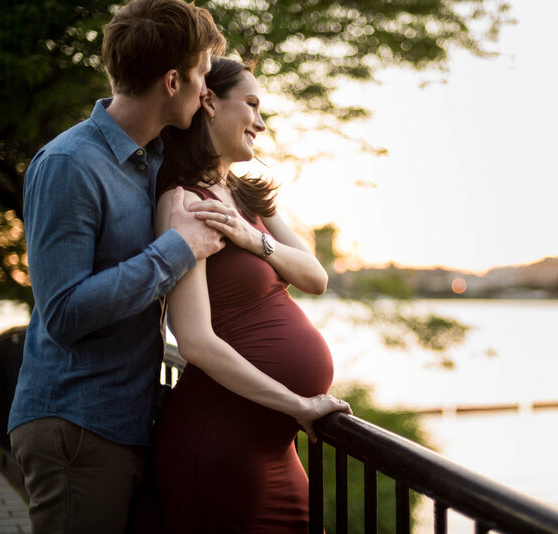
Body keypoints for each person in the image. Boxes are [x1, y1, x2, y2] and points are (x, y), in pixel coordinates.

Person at [7, 1, 228, 532]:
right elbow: (63, 312)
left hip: (126, 422)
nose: (207, 91)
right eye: (201, 74)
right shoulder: (70, 164)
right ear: (172, 80)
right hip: (77, 427)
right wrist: (179, 248)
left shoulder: (152, 159)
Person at [151, 57, 351, 533]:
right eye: (252, 104)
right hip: (223, 442)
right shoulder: (183, 202)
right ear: (209, 103)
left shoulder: (246, 197)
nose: (261, 122)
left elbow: (314, 275)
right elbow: (195, 341)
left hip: (272, 443)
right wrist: (298, 405)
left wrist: (251, 238)